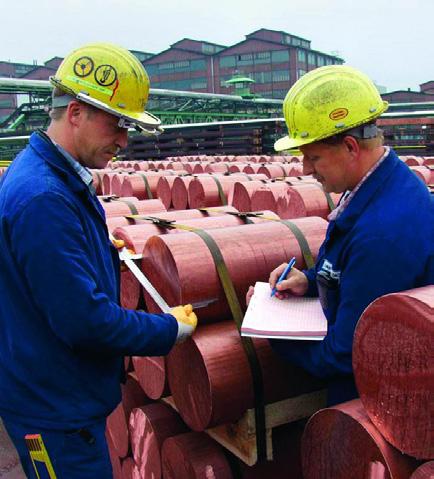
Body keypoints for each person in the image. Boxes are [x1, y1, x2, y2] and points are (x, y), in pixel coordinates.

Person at [0, 43, 197, 478]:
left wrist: (101, 251)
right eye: (116, 125)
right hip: (55, 417)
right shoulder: (44, 197)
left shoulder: (49, 176)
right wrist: (169, 329)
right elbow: (84, 322)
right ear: (75, 112)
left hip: (57, 398)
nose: (124, 141)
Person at [248, 65, 434, 406]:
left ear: (350, 147)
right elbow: (352, 270)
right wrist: (311, 280)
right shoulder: (379, 186)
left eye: (313, 155)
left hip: (375, 401)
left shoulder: (382, 233)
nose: (304, 168)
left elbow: (344, 356)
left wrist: (270, 330)